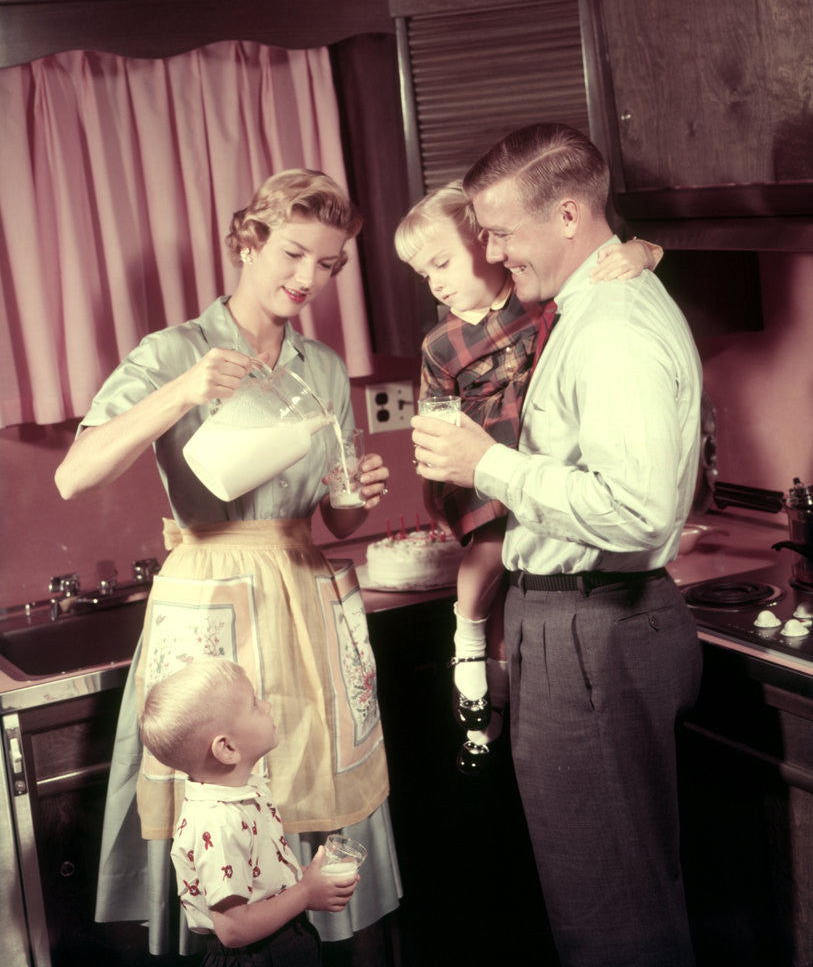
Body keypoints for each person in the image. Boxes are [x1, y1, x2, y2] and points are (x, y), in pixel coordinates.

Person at [54, 169, 401, 958]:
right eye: (292, 253)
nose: (307, 278)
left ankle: (313, 940)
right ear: (247, 241)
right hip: (209, 599)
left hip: (302, 597)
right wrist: (184, 390)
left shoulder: (320, 365)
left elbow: (337, 515)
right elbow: (75, 475)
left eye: (327, 264)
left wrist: (357, 496)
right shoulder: (174, 351)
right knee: (218, 797)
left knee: (309, 774)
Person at [411, 124, 703, 967]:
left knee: (610, 914)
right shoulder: (584, 307)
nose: (492, 254)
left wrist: (486, 464)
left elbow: (637, 512)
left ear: (569, 215)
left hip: (591, 629)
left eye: (501, 232)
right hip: (579, 626)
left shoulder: (610, 329)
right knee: (612, 894)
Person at [395, 180, 662, 774]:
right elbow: (433, 416)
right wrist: (440, 483)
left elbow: (604, 264)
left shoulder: (535, 298)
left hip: (539, 464)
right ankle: (467, 645)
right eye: (424, 273)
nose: (435, 282)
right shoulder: (440, 344)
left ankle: (495, 698)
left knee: (516, 586)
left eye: (442, 263)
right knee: (489, 556)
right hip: (482, 467)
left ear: (485, 243)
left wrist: (643, 252)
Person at [139, 656, 358, 966]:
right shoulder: (218, 823)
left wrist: (307, 879)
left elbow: (257, 879)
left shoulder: (243, 793)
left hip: (282, 943)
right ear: (227, 748)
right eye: (255, 705)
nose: (267, 705)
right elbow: (233, 929)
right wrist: (306, 893)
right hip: (255, 958)